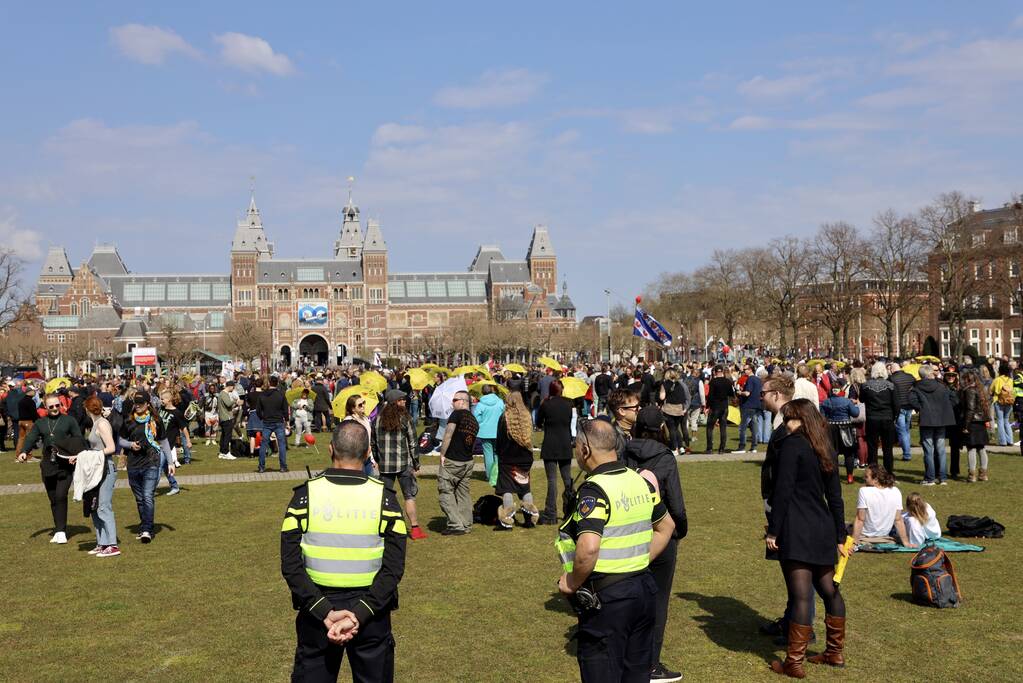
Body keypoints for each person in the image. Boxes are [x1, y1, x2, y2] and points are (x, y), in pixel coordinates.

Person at [281, 421, 407, 682]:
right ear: (368, 452)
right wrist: (360, 613)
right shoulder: (386, 498)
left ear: (330, 449)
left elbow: (291, 565)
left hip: (317, 611)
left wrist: (324, 611)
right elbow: (394, 568)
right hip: (371, 611)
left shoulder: (304, 496)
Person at [555, 418, 675, 683]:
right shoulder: (639, 480)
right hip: (643, 589)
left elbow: (588, 548)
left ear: (585, 449)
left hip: (609, 599)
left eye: (576, 445)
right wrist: (638, 560)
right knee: (635, 673)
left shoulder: (594, 490)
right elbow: (666, 526)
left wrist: (572, 582)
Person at [765, 399, 849, 677]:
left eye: (788, 418)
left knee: (801, 596)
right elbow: (835, 496)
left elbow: (783, 489)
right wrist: (840, 534)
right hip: (822, 526)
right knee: (829, 590)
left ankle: (794, 662)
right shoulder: (824, 444)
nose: (785, 424)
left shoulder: (792, 445)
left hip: (797, 527)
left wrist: (773, 530)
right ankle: (834, 653)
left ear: (798, 419)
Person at [622, 407, 688, 683]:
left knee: (628, 595)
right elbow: (675, 501)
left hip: (629, 532)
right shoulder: (664, 458)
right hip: (659, 531)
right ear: (661, 428)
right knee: (658, 600)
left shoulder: (623, 453)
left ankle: (628, 654)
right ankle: (649, 663)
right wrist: (679, 529)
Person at [16, 392, 84, 544]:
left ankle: (61, 531)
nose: (54, 408)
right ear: (45, 407)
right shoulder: (40, 423)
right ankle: (59, 529)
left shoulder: (69, 420)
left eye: (57, 405)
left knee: (61, 496)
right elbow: (31, 438)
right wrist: (23, 452)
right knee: (53, 499)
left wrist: (77, 454)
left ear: (60, 405)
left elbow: (79, 438)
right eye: (51, 406)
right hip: (48, 464)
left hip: (65, 464)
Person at [373, 389, 427, 540]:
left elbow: (373, 442)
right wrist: (416, 462)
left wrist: (378, 460)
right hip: (403, 464)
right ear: (394, 402)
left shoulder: (377, 419)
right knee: (409, 496)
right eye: (401, 400)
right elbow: (413, 442)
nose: (404, 402)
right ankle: (415, 528)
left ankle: (385, 528)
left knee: (385, 498)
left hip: (385, 465)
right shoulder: (405, 418)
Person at [117, 392, 165, 544]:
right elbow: (120, 440)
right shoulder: (129, 420)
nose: (138, 406)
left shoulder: (155, 420)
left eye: (141, 403)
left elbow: (163, 441)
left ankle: (147, 530)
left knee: (147, 496)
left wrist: (170, 463)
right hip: (133, 464)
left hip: (151, 462)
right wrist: (131, 445)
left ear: (148, 404)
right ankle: (144, 524)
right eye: (136, 403)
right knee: (139, 499)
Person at [494, 391, 540, 529]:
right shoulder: (527, 417)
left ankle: (507, 520)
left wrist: (498, 454)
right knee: (524, 488)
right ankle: (530, 519)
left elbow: (499, 441)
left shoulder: (504, 418)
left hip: (508, 459)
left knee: (507, 489)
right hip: (525, 459)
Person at [437, 390, 478, 535]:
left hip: (453, 460)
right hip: (467, 461)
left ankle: (455, 524)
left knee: (445, 491)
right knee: (463, 493)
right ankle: (466, 523)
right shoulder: (474, 420)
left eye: (454, 400)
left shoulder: (457, 414)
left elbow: (448, 434)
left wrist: (442, 454)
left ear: (462, 401)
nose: (452, 403)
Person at [908, 365, 957, 486]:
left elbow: (911, 399)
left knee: (929, 450)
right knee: (940, 449)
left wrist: (921, 408)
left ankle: (930, 478)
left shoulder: (916, 386)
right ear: (931, 374)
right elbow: (954, 399)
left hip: (927, 420)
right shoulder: (941, 386)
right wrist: (944, 407)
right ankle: (942, 477)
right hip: (940, 419)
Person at [83, 394, 119, 557]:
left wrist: (93, 455)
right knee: (95, 506)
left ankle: (112, 545)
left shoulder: (102, 424)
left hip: (106, 468)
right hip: (97, 468)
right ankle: (102, 543)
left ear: (87, 409)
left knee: (104, 506)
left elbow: (111, 448)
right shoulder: (96, 423)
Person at [536, 379, 575, 524]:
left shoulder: (546, 404)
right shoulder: (568, 404)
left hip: (551, 444)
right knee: (567, 480)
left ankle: (551, 514)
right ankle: (570, 510)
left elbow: (538, 422)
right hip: (564, 443)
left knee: (552, 481)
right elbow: (569, 421)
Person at [850, 464, 913, 547]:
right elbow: (898, 520)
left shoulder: (864, 491)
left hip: (866, 535)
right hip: (884, 535)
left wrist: (854, 542)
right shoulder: (896, 491)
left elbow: (860, 519)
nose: (864, 479)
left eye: (866, 477)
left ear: (875, 479)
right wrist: (906, 542)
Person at [859, 362, 897, 474]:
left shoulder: (866, 385)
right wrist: (894, 416)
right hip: (887, 418)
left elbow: (861, 399)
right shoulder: (890, 385)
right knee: (888, 448)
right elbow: (896, 404)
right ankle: (889, 473)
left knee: (872, 448)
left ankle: (873, 474)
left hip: (872, 419)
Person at [820, 385, 860, 484]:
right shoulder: (847, 402)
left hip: (831, 429)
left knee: (833, 453)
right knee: (849, 454)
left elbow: (822, 417)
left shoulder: (826, 402)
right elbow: (855, 413)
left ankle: (835, 476)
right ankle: (850, 476)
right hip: (846, 428)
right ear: (840, 391)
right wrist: (856, 406)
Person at [959, 371, 991, 483]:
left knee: (971, 449)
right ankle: (983, 474)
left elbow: (970, 409)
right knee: (981, 449)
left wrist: (966, 426)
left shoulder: (969, 390)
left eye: (964, 379)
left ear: (967, 379)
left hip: (972, 423)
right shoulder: (981, 389)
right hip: (980, 422)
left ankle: (972, 475)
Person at [473, 383, 506, 487]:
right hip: (498, 431)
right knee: (497, 453)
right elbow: (504, 415)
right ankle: (497, 474)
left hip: (485, 432)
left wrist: (482, 422)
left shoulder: (480, 404)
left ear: (482, 392)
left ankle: (489, 475)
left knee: (488, 454)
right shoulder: (500, 402)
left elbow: (476, 418)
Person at [257, 375, 290, 474]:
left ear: (269, 383)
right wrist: (287, 422)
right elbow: (285, 410)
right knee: (282, 445)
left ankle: (261, 467)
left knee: (264, 444)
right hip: (278, 421)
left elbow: (258, 410)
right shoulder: (281, 394)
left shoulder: (262, 395)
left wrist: (262, 417)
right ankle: (283, 466)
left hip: (267, 421)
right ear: (277, 383)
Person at [342, 395, 377, 476]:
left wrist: (372, 459)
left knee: (369, 485)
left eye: (363, 403)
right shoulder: (349, 421)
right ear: (353, 409)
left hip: (367, 459)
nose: (363, 406)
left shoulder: (365, 418)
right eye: (360, 405)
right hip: (356, 459)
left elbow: (369, 439)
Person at [658, 368, 689, 456]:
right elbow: (683, 397)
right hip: (679, 409)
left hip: (669, 409)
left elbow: (662, 397)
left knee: (671, 429)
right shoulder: (679, 384)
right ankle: (681, 447)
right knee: (676, 428)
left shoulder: (665, 384)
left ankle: (674, 448)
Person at [889, 361, 916, 461]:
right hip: (909, 405)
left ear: (892, 370)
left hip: (899, 407)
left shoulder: (891, 378)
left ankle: (907, 454)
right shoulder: (910, 376)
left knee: (902, 430)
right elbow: (915, 387)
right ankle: (907, 451)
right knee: (906, 429)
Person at [704, 365, 733, 454]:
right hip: (724, 407)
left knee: (710, 427)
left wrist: (707, 407)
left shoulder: (713, 382)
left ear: (714, 372)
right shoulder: (728, 381)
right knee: (723, 428)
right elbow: (731, 394)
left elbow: (710, 396)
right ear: (722, 372)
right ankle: (722, 448)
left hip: (715, 407)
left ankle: (709, 448)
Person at [735, 365, 762, 454]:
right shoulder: (758, 379)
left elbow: (747, 393)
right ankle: (754, 447)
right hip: (757, 405)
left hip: (749, 405)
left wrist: (740, 392)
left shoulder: (750, 379)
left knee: (743, 427)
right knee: (754, 427)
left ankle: (742, 446)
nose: (744, 371)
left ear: (750, 370)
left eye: (745, 370)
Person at [990, 364, 1014, 446]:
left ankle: (1003, 441)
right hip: (1009, 402)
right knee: (1006, 421)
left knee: (1000, 421)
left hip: (998, 401)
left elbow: (991, 390)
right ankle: (1010, 440)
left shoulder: (997, 380)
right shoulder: (1010, 380)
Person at [216, 380, 238, 460]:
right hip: (226, 417)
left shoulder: (222, 394)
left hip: (224, 417)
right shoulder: (224, 394)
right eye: (233, 387)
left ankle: (222, 452)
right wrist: (235, 401)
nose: (233, 389)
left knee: (224, 435)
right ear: (230, 386)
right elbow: (228, 403)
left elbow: (227, 406)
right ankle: (226, 452)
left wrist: (235, 404)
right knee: (227, 436)